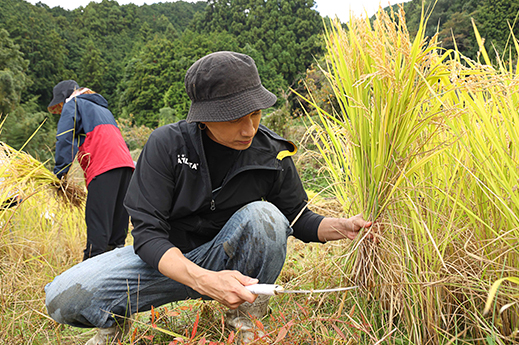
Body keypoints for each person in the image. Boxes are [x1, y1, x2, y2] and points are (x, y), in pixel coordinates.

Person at [44, 52, 371, 345]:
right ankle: (115, 320)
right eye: (234, 118)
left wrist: (342, 226)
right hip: (167, 261)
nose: (249, 129)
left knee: (267, 217)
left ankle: (245, 317)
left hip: (228, 262)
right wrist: (204, 279)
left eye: (255, 113)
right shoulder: (167, 145)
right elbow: (148, 236)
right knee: (62, 297)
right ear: (203, 115)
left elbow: (298, 219)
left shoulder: (272, 153)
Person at [47, 80, 135, 260]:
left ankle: (90, 281)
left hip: (104, 166)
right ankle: (117, 277)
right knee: (117, 232)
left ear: (64, 98)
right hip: (126, 167)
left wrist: (60, 173)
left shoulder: (74, 103)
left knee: (99, 230)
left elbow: (65, 137)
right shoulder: (102, 108)